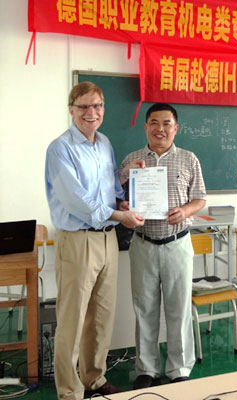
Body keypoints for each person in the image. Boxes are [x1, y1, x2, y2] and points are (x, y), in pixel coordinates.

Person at [45, 81, 145, 400]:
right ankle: (69, 391)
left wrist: (123, 189)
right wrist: (119, 216)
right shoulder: (60, 148)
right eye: (85, 106)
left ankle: (94, 378)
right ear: (71, 110)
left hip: (107, 240)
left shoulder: (103, 143)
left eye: (98, 106)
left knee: (101, 315)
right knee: (72, 320)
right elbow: (78, 201)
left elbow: (106, 189)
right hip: (78, 241)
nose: (92, 112)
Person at [121, 103, 206, 389]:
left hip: (177, 244)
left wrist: (185, 211)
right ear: (145, 127)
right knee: (144, 308)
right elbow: (117, 198)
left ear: (175, 128)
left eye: (166, 123)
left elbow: (200, 199)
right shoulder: (131, 159)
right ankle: (146, 368)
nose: (160, 129)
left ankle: (179, 368)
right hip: (143, 243)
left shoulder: (189, 159)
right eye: (154, 122)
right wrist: (124, 205)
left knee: (178, 308)